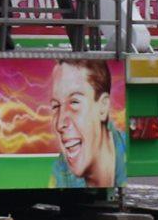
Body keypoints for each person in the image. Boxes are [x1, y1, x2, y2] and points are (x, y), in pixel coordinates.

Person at [50, 59, 126, 188]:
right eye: (56, 106)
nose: (59, 124)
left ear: (103, 107)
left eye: (74, 102)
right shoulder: (61, 171)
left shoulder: (127, 154)